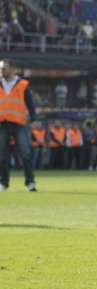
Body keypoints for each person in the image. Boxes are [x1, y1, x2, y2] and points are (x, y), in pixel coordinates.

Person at [0, 59, 38, 192]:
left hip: (18, 123)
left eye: (3, 68)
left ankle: (30, 182)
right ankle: (3, 183)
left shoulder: (22, 85)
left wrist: (34, 119)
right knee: (2, 155)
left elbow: (30, 104)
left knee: (26, 153)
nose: (1, 71)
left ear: (12, 69)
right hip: (2, 124)